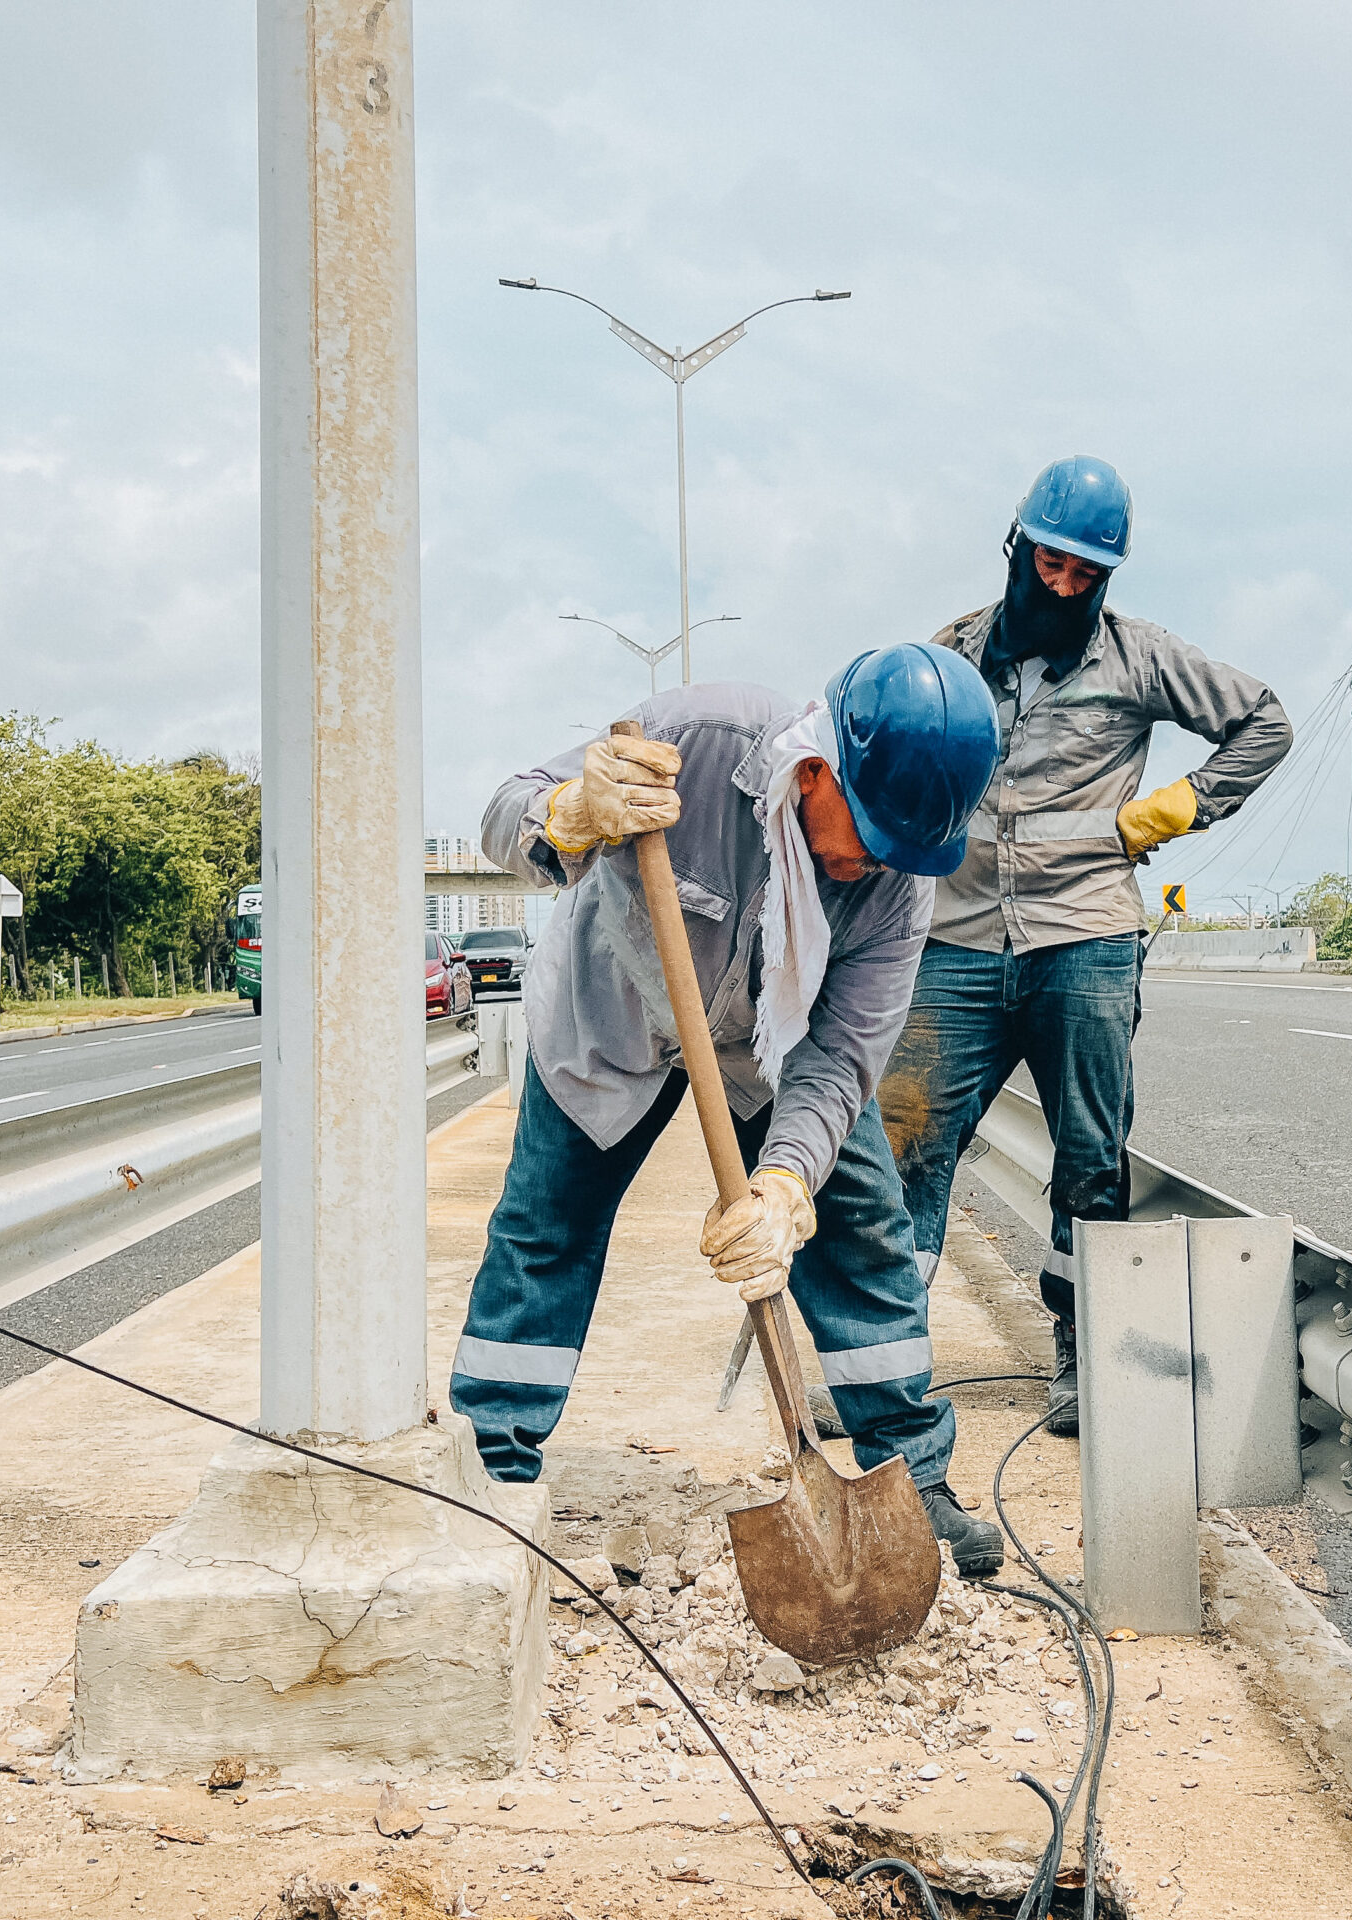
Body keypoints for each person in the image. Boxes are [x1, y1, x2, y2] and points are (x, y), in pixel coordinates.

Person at [450, 644, 1012, 1576]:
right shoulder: (697, 740)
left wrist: (788, 1182)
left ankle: (909, 1474)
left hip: (771, 1052)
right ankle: (491, 1474)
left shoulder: (899, 889)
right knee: (542, 1230)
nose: (873, 861)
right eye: (866, 831)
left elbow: (840, 1056)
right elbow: (502, 815)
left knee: (861, 1227)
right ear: (820, 765)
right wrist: (571, 814)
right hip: (613, 1018)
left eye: (901, 850)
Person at [882, 456, 1292, 1436]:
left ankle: (1085, 1361)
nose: (1063, 586)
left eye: (1085, 574)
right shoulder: (948, 656)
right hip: (957, 942)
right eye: (1050, 564)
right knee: (904, 1152)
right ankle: (884, 1370)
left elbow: (1261, 722)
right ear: (1016, 548)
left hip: (1087, 938)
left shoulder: (1139, 659)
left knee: (1089, 1160)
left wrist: (1171, 811)